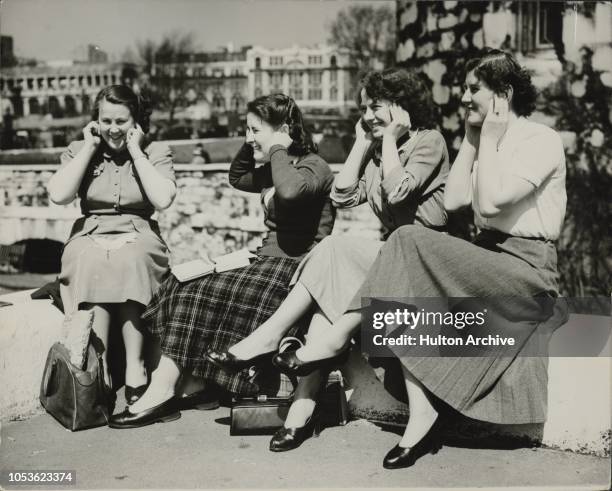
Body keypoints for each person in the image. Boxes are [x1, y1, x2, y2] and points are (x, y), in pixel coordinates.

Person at [272, 49, 567, 468]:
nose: (464, 98)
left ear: (503, 93)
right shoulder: (484, 140)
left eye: (473, 90)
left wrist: (490, 138)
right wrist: (471, 139)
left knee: (407, 237)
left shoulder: (541, 139)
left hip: (527, 270)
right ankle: (401, 405)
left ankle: (336, 339)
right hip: (485, 257)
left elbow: (492, 200)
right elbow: (460, 199)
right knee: (340, 248)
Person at [206, 67, 450, 451]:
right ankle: (301, 409)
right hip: (395, 254)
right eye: (363, 108)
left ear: (402, 107)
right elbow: (342, 196)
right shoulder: (373, 148)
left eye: (375, 107)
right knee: (327, 271)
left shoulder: (428, 141)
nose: (367, 115)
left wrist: (387, 140)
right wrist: (360, 144)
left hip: (430, 258)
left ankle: (274, 349)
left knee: (331, 253)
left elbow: (398, 191)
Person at [109, 93, 336, 428]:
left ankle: (163, 390)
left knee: (206, 296)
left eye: (254, 129)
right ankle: (194, 384)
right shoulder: (278, 165)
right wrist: (257, 142)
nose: (248, 136)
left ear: (283, 129)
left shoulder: (313, 166)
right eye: (247, 129)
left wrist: (275, 146)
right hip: (265, 259)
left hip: (296, 267)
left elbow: (289, 192)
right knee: (184, 283)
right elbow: (238, 176)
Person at [48, 85, 176, 405]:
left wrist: (136, 151)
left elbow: (162, 199)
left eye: (122, 121)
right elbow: (59, 194)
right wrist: (89, 148)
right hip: (91, 229)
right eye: (106, 121)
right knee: (90, 260)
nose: (113, 129)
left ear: (136, 121)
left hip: (139, 229)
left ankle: (136, 365)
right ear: (96, 120)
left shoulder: (156, 151)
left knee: (131, 259)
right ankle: (98, 370)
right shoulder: (80, 147)